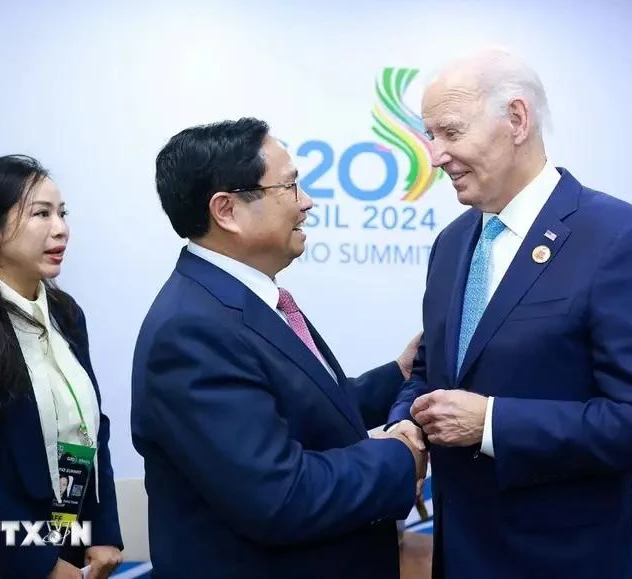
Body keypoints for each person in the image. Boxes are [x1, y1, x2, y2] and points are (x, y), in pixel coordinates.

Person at [386, 48, 632, 579]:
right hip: (459, 554)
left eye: (450, 133)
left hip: (565, 561)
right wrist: (403, 428)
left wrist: (493, 423)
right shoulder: (451, 244)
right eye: (429, 136)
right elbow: (435, 374)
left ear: (517, 120)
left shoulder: (616, 236)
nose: (434, 156)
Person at [131, 118, 427, 579]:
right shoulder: (191, 331)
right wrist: (399, 457)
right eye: (289, 187)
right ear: (226, 210)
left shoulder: (238, 300)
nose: (307, 202)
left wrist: (398, 375)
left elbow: (300, 408)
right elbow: (279, 495)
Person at [0, 155, 124, 579]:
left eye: (62, 213)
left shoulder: (66, 315)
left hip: (66, 549)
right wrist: (41, 563)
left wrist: (103, 530)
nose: (61, 229)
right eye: (41, 214)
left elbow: (89, 427)